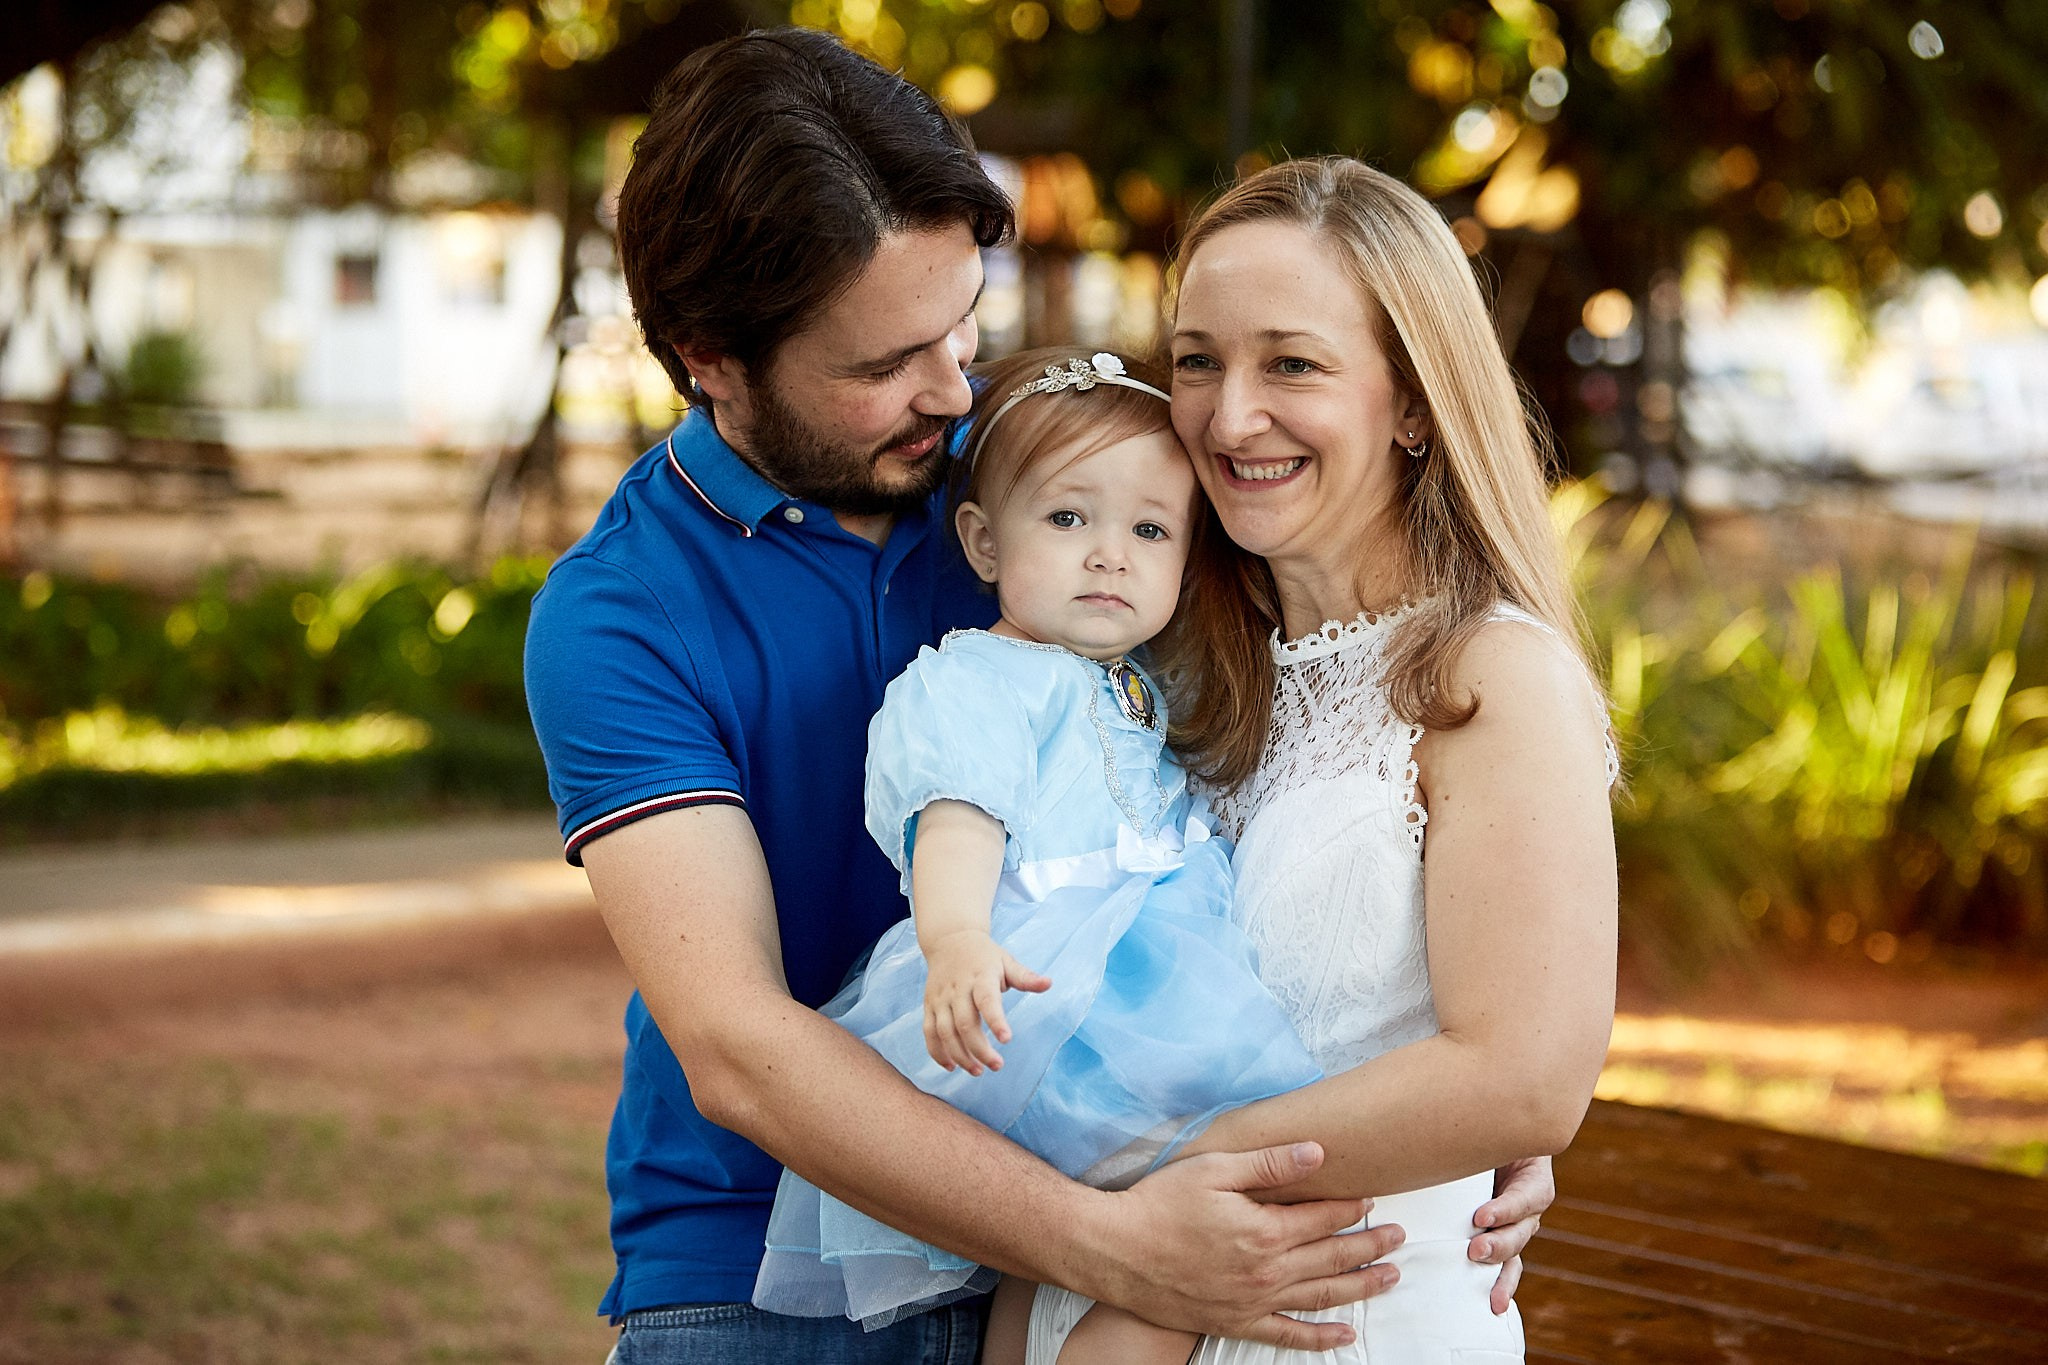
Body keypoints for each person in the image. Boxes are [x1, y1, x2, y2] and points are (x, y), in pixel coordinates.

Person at [524, 29, 1553, 1364]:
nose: (952, 390)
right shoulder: (622, 613)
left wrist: (1460, 1125)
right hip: (774, 1269)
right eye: (886, 361)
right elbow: (739, 1043)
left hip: (1125, 1231)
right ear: (711, 357)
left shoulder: (1047, 480)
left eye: (963, 325)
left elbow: (1333, 753)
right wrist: (1098, 1233)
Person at [1024, 156, 1621, 1363]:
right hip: (1090, 1296)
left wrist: (1147, 1180)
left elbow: (1520, 1079)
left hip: (1344, 1326)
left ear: (1410, 401)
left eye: (1289, 363)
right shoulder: (1155, 660)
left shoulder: (1488, 678)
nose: (1228, 416)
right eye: (1197, 359)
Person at [751, 347, 1321, 1365]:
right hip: (1064, 998)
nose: (1109, 554)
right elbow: (956, 811)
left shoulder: (1145, 682)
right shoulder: (976, 679)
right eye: (1068, 519)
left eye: (1148, 530)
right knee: (1199, 1207)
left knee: (1037, 1261)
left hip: (1136, 983)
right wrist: (956, 935)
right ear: (980, 540)